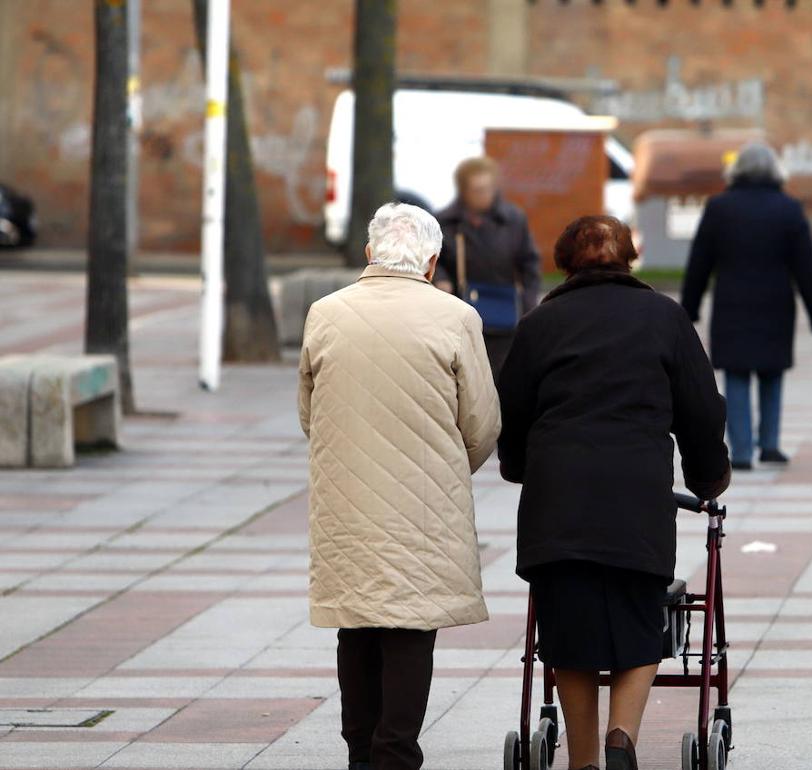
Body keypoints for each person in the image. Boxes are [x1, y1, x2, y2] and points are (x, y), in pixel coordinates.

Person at [497, 216, 731, 770]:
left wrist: (518, 466)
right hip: (637, 500)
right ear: (630, 258)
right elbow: (702, 409)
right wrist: (707, 476)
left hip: (559, 502)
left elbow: (510, 413)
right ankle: (621, 735)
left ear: (563, 263)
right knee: (639, 621)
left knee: (567, 632)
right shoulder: (665, 317)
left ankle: (581, 760)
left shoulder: (540, 324)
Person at [298, 203, 501, 770]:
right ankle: (394, 753)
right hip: (425, 507)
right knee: (412, 629)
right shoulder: (456, 318)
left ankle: (361, 752)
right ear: (432, 262)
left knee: (356, 626)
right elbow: (482, 426)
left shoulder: (325, 313)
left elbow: (310, 413)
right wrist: (442, 467)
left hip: (346, 502)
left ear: (369, 255)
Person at [680, 142, 812, 471]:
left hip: (732, 302)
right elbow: (806, 267)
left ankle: (743, 451)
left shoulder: (720, 208)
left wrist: (688, 307)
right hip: (775, 302)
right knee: (772, 373)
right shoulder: (788, 208)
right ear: (776, 170)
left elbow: (700, 262)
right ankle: (770, 444)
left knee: (736, 374)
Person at [434, 156, 542, 376]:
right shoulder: (446, 221)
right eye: (477, 190)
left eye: (488, 189)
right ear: (464, 191)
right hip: (461, 309)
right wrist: (440, 279)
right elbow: (434, 259)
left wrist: (528, 304)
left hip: (504, 310)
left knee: (502, 374)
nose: (484, 195)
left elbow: (529, 262)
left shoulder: (513, 219)